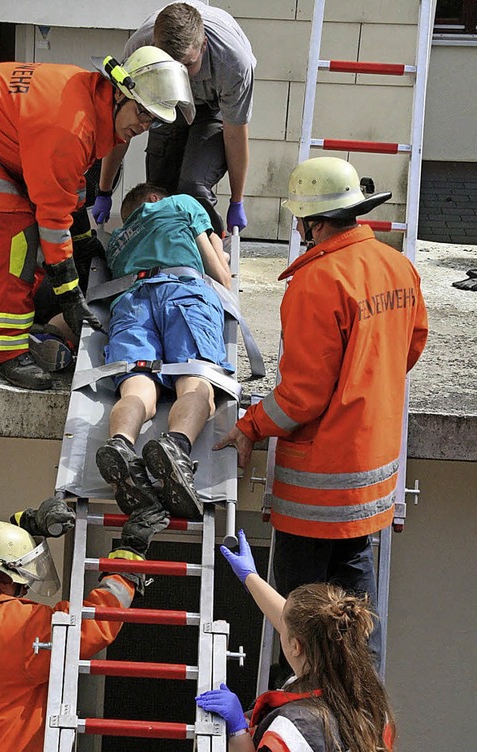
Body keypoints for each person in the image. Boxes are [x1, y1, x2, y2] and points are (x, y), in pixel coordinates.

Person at [214, 157, 429, 664]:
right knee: (357, 619)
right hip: (369, 485)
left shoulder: (316, 282)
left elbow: (301, 397)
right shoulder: (397, 265)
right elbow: (412, 345)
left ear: (313, 222)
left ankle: (304, 725)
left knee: (302, 635)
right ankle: (364, 716)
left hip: (317, 491)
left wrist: (250, 426)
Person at [0, 46, 195, 390]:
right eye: (142, 113)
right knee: (16, 233)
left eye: (153, 120)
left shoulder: (87, 100)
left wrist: (83, 243)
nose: (143, 126)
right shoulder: (69, 127)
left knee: (20, 228)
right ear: (119, 92)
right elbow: (52, 218)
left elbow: (67, 183)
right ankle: (5, 352)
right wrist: (70, 295)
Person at [0, 497, 169, 751]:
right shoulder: (20, 627)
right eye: (19, 583)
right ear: (1, 581)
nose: (22, 591)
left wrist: (26, 527)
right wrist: (128, 555)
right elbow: (96, 622)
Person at [95, 182, 233, 520]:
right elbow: (222, 277)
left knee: (138, 386)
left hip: (131, 303)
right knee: (195, 381)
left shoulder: (116, 243)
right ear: (156, 198)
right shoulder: (181, 203)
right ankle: (176, 445)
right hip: (182, 293)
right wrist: (220, 246)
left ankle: (122, 444)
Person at [195, 529, 395, 752]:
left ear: (295, 646)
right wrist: (250, 577)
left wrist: (238, 732)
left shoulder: (293, 731)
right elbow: (303, 628)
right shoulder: (369, 700)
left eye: (282, 626)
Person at [93, 1, 256, 235]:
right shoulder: (139, 48)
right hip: (166, 103)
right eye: (171, 65)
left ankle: (210, 256)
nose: (181, 74)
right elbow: (120, 125)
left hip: (212, 107)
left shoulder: (233, 65)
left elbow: (235, 134)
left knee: (193, 187)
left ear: (203, 47)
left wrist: (236, 200)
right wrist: (104, 190)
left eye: (188, 65)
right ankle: (163, 258)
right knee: (159, 192)